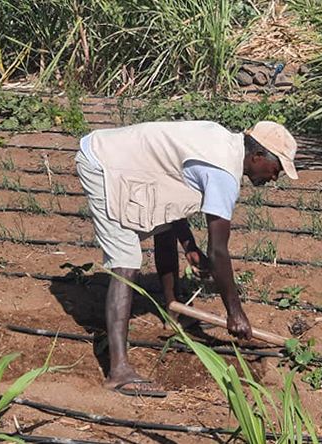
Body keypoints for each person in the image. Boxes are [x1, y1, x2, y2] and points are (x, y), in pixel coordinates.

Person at [75, 120, 298, 397]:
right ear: (257, 156)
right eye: (276, 169)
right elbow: (218, 251)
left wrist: (189, 244)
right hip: (104, 161)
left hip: (132, 161)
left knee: (164, 222)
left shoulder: (223, 140)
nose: (274, 178)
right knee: (126, 258)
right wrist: (235, 313)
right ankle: (118, 371)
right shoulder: (223, 173)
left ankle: (173, 310)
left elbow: (169, 192)